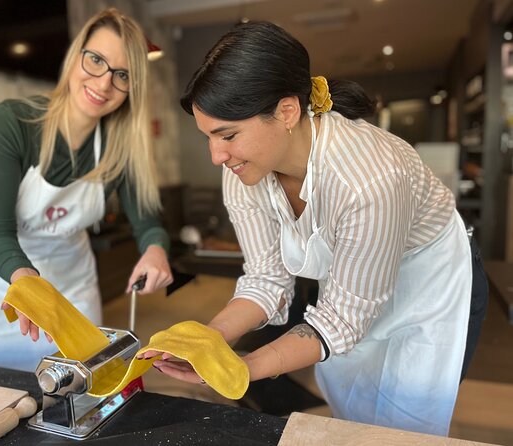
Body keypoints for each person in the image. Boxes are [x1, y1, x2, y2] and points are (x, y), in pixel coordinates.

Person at [142, 21, 487, 436]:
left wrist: (241, 369)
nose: (216, 155)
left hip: (427, 284)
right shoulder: (243, 170)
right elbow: (267, 280)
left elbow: (341, 319)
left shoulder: (369, 178)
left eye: (227, 135)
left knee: (405, 430)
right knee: (355, 415)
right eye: (208, 137)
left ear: (287, 111)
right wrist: (210, 343)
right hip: (353, 288)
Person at [0, 8, 173, 372]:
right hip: (3, 285)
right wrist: (26, 283)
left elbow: (147, 223)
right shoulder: (12, 122)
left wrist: (155, 250)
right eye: (96, 61)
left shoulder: (122, 146)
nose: (104, 84)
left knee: (82, 387)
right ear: (76, 56)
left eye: (122, 75)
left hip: (72, 286)